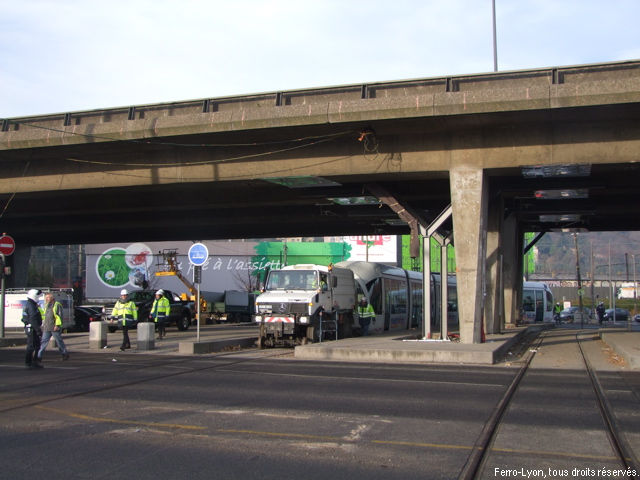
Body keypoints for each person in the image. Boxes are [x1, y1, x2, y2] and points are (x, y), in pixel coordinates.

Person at [38, 292, 70, 361]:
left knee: (59, 341)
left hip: (54, 327)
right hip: (47, 327)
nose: (46, 299)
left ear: (52, 298)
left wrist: (57, 325)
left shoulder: (56, 305)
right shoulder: (46, 305)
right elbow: (45, 316)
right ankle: (38, 356)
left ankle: (64, 354)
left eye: (48, 297)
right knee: (43, 342)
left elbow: (59, 316)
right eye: (46, 298)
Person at [22, 289, 44, 369]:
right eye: (38, 296)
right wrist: (38, 330)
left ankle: (34, 362)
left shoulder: (31, 304)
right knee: (31, 346)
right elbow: (33, 319)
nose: (38, 298)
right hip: (31, 328)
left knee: (37, 345)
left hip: (32, 328)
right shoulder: (31, 305)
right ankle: (28, 363)